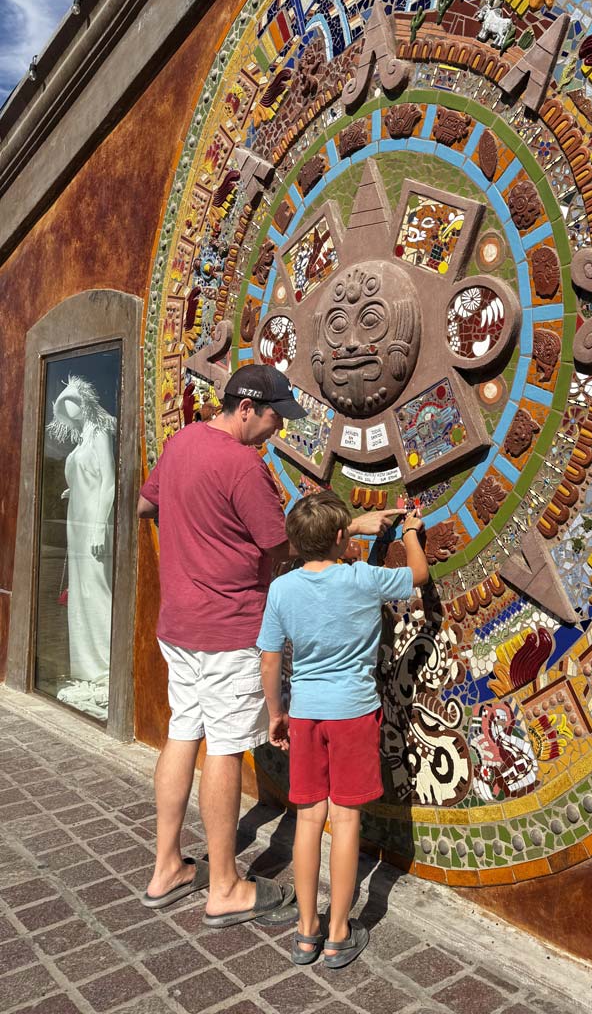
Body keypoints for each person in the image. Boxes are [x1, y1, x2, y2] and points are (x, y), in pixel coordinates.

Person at [137, 364, 401, 927]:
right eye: (276, 417)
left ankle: (164, 868)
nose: (277, 429)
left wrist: (193, 535)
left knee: (183, 732)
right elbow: (284, 545)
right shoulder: (242, 466)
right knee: (226, 748)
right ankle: (225, 885)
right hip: (228, 626)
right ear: (248, 408)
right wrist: (350, 529)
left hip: (178, 622)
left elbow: (146, 506)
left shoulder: (182, 441)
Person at [257, 489, 428, 968]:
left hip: (307, 714)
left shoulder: (282, 589)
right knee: (346, 820)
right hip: (353, 712)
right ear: (341, 537)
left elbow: (270, 660)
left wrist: (277, 712)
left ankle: (305, 931)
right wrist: (411, 532)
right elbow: (418, 575)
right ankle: (338, 933)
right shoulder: (362, 579)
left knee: (308, 821)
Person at [47, 375, 117, 719]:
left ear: (83, 403)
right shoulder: (82, 440)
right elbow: (86, 480)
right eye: (64, 409)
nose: (68, 412)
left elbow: (109, 483)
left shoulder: (101, 433)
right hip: (78, 521)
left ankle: (105, 663)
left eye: (71, 405)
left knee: (97, 591)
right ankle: (87, 666)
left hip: (93, 525)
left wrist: (101, 527)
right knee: (82, 594)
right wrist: (72, 490)